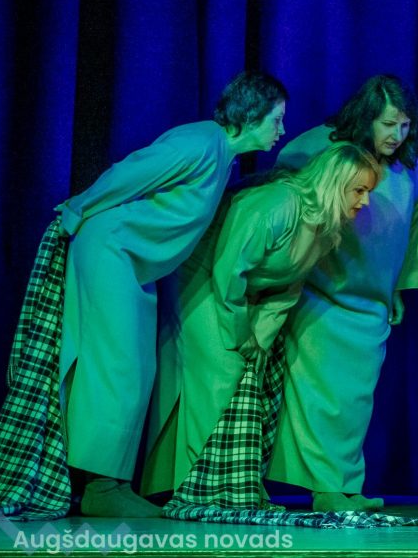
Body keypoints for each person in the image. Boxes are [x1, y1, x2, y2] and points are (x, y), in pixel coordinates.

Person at [58, 70, 289, 517]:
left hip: (134, 263)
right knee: (118, 364)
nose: (281, 130)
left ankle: (109, 482)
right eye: (276, 119)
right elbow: (131, 171)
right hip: (112, 250)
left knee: (137, 367)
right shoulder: (200, 141)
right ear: (251, 115)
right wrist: (78, 207)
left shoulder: (222, 158)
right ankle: (101, 487)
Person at [142, 142, 380, 498]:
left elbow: (287, 291)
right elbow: (229, 270)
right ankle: (204, 486)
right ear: (335, 183)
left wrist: (260, 339)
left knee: (252, 376)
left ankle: (232, 482)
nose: (366, 201)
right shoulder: (280, 203)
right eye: (359, 190)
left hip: (240, 292)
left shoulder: (326, 230)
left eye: (368, 191)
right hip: (204, 276)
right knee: (222, 371)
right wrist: (241, 334)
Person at [266, 75, 418, 513]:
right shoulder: (321, 147)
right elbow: (284, 194)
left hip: (371, 300)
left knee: (355, 402)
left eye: (405, 125)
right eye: (388, 124)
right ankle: (326, 487)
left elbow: (411, 233)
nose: (397, 135)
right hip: (323, 293)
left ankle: (345, 483)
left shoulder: (411, 167)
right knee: (322, 396)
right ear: (366, 117)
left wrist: (399, 288)